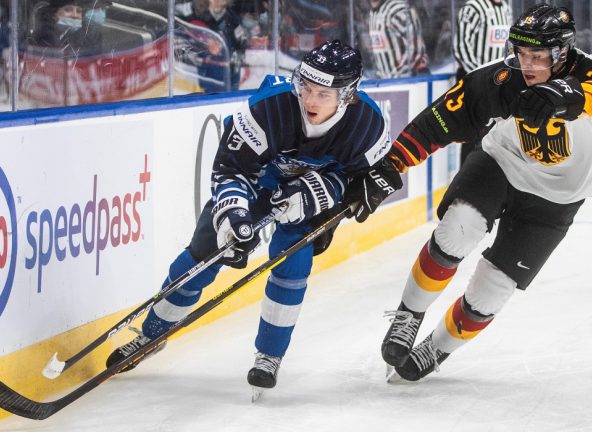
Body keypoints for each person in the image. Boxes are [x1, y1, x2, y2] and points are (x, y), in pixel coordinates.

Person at [344, 5, 592, 382]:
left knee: (491, 291)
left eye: (538, 56)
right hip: (501, 165)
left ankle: (437, 347)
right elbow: (441, 120)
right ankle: (409, 314)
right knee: (457, 230)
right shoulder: (504, 79)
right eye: (522, 54)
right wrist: (390, 167)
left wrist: (567, 96)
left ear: (563, 52)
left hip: (557, 199)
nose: (528, 64)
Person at [108, 40, 392, 395]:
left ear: (347, 95)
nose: (309, 100)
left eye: (322, 94)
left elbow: (360, 181)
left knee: (293, 258)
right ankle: (151, 336)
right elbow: (230, 168)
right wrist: (233, 214)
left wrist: (319, 194)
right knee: (205, 252)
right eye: (305, 87)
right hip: (259, 180)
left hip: (312, 192)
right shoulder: (270, 107)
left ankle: (269, 356)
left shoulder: (367, 126)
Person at [452, 0, 512, 166]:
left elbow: (509, 44)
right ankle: (466, 183)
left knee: (496, 133)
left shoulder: (506, 8)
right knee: (473, 132)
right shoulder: (473, 7)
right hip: (475, 81)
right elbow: (461, 47)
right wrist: (482, 76)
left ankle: (489, 179)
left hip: (499, 82)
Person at [179, 0, 248, 92]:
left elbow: (241, 42)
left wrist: (237, 58)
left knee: (230, 101)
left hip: (229, 72)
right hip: (203, 73)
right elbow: (179, 32)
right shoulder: (192, 12)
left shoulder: (232, 18)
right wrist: (204, 41)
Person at [367, 0, 429, 79]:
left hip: (408, 82)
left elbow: (416, 51)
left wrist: (401, 80)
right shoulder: (373, 13)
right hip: (386, 83)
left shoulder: (398, 9)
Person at [32, 0, 102, 56]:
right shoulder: (43, 36)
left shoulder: (86, 38)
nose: (75, 15)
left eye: (79, 11)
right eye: (68, 10)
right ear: (54, 14)